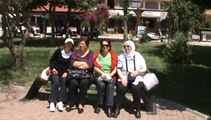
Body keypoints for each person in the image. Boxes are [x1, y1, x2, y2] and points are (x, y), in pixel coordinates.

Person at [114, 40, 147, 118]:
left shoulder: (138, 56)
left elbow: (144, 69)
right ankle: (117, 108)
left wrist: (137, 72)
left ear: (132, 47)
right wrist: (122, 78)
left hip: (136, 77)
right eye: (125, 46)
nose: (126, 48)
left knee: (136, 88)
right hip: (124, 77)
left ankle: (138, 108)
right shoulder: (121, 56)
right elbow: (118, 69)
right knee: (121, 88)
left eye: (128, 46)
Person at [67, 36, 94, 114]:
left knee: (84, 83)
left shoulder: (91, 53)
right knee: (73, 83)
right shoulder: (75, 52)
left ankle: (81, 104)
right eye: (80, 44)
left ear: (87, 45)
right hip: (74, 74)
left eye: (83, 44)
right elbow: (73, 63)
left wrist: (78, 64)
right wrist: (83, 63)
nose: (81, 45)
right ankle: (70, 103)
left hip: (87, 75)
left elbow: (89, 65)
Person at [93, 39, 118, 117]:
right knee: (101, 85)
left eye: (106, 45)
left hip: (111, 75)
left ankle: (109, 107)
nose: (105, 47)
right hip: (100, 75)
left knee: (110, 86)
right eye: (103, 45)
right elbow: (95, 67)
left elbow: (116, 68)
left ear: (109, 46)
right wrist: (103, 74)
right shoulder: (98, 55)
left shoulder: (113, 55)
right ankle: (99, 104)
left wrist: (109, 76)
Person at [49, 38, 74, 112]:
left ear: (72, 45)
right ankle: (52, 102)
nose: (69, 45)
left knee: (64, 83)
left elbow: (71, 65)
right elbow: (51, 60)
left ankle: (60, 101)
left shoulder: (72, 54)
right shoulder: (59, 51)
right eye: (68, 43)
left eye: (70, 44)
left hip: (64, 73)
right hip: (55, 72)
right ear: (65, 44)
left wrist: (67, 72)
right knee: (56, 82)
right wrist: (53, 68)